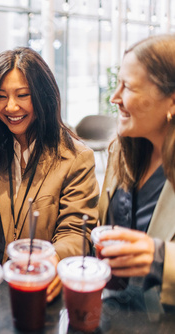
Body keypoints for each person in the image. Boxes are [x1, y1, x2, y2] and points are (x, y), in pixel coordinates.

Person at [0, 47, 100, 302]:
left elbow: (76, 233)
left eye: (23, 95)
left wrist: (52, 258)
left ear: (43, 97)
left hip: (44, 285)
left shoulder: (75, 158)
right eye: (1, 96)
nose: (11, 107)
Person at [97, 34, 175, 307]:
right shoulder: (121, 151)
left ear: (172, 102)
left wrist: (161, 258)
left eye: (127, 87)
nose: (115, 98)